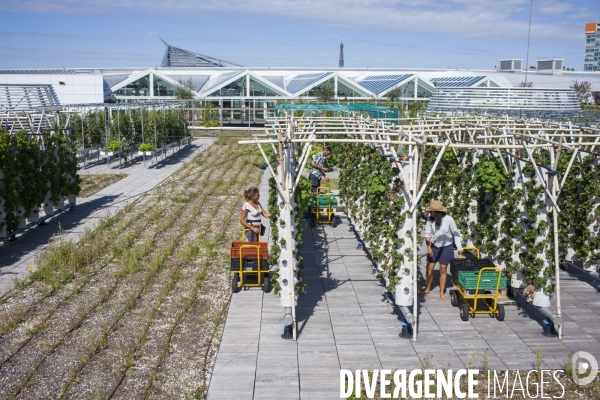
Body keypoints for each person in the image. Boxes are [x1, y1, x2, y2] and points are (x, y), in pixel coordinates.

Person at [420, 200, 464, 300]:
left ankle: (442, 292)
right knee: (429, 267)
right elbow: (427, 234)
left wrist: (459, 247)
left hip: (446, 246)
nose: (429, 212)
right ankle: (427, 288)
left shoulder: (449, 219)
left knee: (443, 269)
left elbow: (456, 234)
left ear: (437, 212)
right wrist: (428, 247)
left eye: (431, 211)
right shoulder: (430, 220)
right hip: (434, 245)